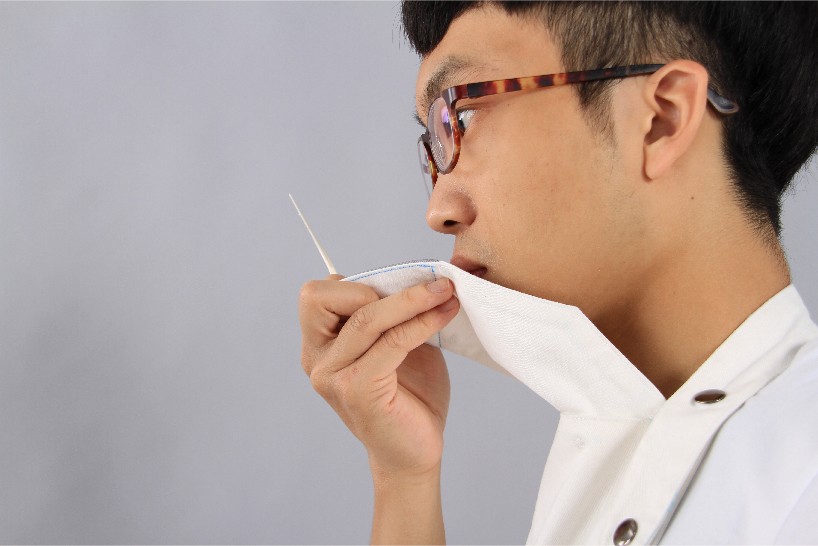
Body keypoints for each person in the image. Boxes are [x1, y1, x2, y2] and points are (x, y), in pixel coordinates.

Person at [298, 2, 818, 543]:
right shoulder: (601, 443)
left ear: (660, 119)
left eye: (463, 117)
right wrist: (404, 479)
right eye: (436, 141)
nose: (439, 210)